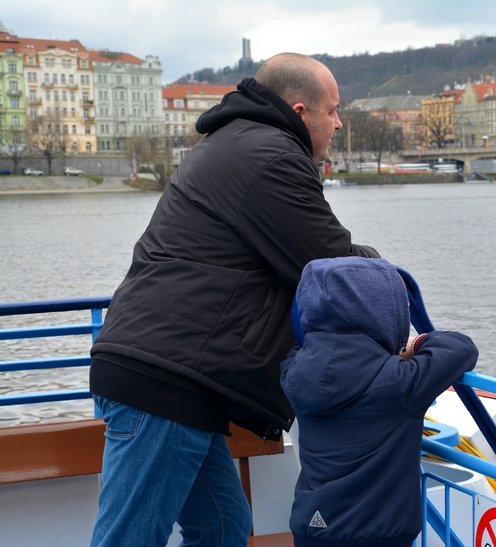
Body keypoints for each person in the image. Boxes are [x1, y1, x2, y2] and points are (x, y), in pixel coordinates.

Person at [87, 53, 379, 546]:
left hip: (173, 373)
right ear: (302, 110)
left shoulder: (236, 142)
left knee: (223, 528)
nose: (339, 122)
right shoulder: (271, 157)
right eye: (333, 110)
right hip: (165, 379)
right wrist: (384, 272)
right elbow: (330, 264)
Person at [280, 256, 479, 547]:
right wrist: (415, 345)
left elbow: (304, 348)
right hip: (379, 535)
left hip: (311, 527)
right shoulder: (399, 382)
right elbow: (460, 348)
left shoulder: (294, 372)